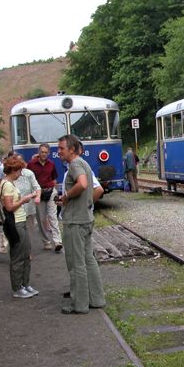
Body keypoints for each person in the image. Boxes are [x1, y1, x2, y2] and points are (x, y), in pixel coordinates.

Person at [57, 134, 105, 314]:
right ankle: (96, 299)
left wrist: (67, 196)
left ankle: (79, 304)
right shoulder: (85, 164)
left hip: (75, 222)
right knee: (88, 261)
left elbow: (83, 184)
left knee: (76, 264)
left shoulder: (75, 165)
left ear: (72, 149)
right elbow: (92, 187)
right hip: (85, 219)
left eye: (61, 148)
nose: (58, 152)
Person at [0, 156, 39, 299]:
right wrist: (24, 199)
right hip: (16, 222)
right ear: (13, 170)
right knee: (19, 255)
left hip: (20, 221)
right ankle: (18, 287)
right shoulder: (8, 185)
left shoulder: (8, 183)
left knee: (26, 253)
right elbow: (9, 207)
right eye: (19, 171)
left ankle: (25, 284)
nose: (21, 174)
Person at [27, 143, 63, 251]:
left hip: (50, 192)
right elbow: (29, 180)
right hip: (38, 193)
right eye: (42, 152)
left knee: (53, 217)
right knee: (41, 219)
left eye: (45, 152)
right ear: (39, 152)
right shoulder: (31, 164)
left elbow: (54, 179)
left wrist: (55, 192)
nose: (43, 154)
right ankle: (46, 241)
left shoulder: (51, 164)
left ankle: (57, 241)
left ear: (49, 153)